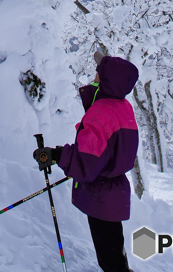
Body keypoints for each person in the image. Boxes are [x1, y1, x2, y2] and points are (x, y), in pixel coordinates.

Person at [33, 51, 139, 272]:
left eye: (99, 72)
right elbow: (105, 154)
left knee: (111, 262)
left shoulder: (101, 113)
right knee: (115, 255)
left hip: (102, 195)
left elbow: (86, 164)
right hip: (113, 190)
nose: (95, 75)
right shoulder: (122, 108)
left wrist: (55, 156)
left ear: (108, 79)